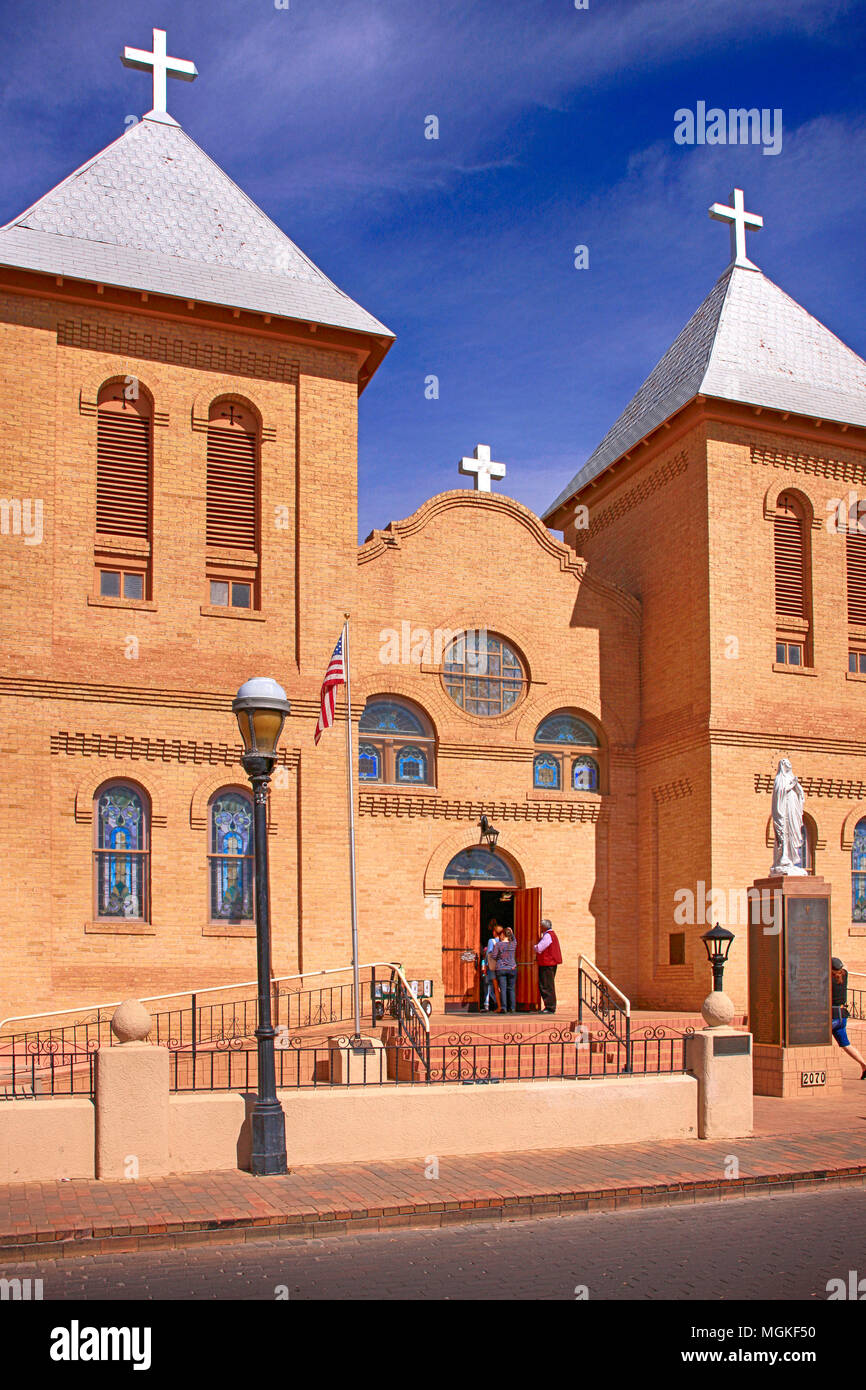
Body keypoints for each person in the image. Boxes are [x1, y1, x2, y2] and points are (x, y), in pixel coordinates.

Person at [830, 957, 866, 1078]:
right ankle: (864, 1065)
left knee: (814, 1036)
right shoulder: (844, 975)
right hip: (842, 1016)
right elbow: (845, 966)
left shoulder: (828, 979)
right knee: (846, 1044)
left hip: (832, 1016)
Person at [534, 917, 562, 1015]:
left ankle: (550, 1007)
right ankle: (550, 1006)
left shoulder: (547, 936)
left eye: (540, 926)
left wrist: (534, 947)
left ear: (544, 927)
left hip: (547, 963)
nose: (540, 928)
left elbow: (540, 948)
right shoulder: (551, 935)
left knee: (546, 985)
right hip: (550, 963)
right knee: (548, 985)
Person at [492, 926, 518, 1013]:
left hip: (501, 968)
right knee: (511, 988)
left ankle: (504, 1007)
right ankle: (513, 1008)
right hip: (512, 968)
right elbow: (514, 938)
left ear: (503, 935)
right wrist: (511, 931)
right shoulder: (513, 943)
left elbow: (494, 956)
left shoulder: (498, 945)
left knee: (502, 988)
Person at [481, 920, 501, 1011]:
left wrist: (485, 965)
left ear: (494, 932)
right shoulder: (503, 941)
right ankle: (500, 1004)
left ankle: (488, 1004)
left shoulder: (491, 941)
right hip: (500, 967)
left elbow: (488, 954)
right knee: (498, 986)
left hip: (492, 967)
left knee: (488, 985)